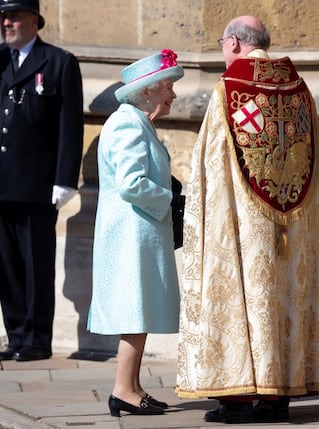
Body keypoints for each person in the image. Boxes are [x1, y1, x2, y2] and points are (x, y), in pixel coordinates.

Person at [175, 15, 319, 424]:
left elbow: (211, 168)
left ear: (236, 43)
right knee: (286, 300)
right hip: (296, 225)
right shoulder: (300, 89)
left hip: (243, 224)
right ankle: (280, 397)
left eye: (223, 42)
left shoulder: (228, 91)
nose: (224, 50)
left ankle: (236, 399)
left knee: (241, 298)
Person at [87, 49, 185, 417]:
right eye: (167, 88)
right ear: (147, 92)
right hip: (130, 234)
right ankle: (122, 390)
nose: (173, 95)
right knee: (134, 312)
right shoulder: (127, 123)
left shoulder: (138, 121)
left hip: (138, 232)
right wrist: (172, 200)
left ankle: (132, 387)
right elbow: (131, 184)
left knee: (139, 312)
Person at [0, 0, 83, 362]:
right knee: (6, 266)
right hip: (2, 183)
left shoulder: (58, 62)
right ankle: (16, 335)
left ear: (35, 20)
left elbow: (70, 125)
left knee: (35, 264)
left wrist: (64, 179)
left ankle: (36, 339)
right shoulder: (0, 60)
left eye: (14, 16)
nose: (7, 23)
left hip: (36, 184)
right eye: (3, 17)